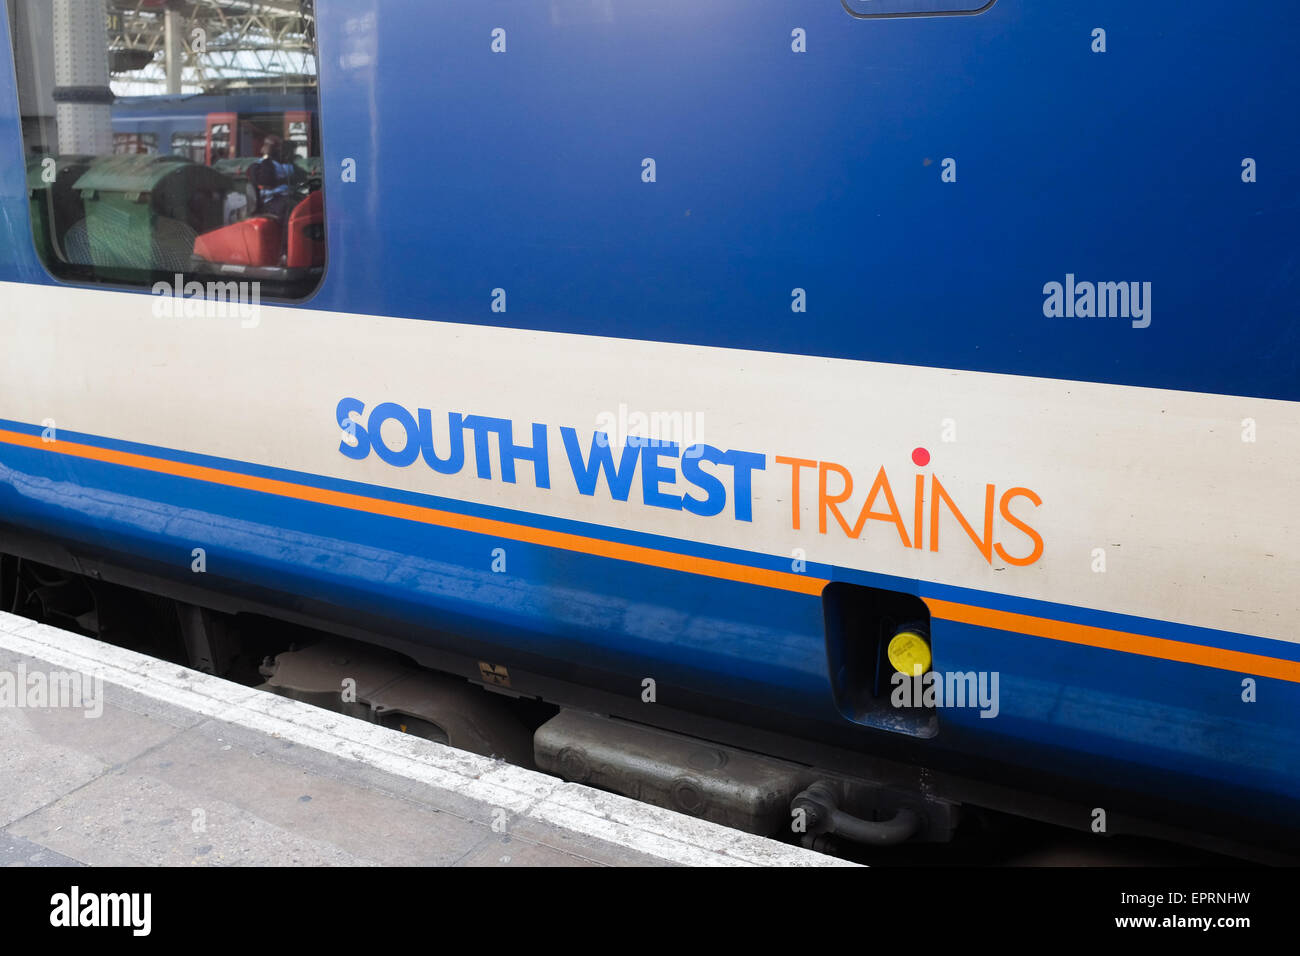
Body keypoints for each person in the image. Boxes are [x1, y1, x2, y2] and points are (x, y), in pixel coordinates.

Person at [249, 134, 298, 255]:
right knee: (290, 208)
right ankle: (286, 253)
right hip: (271, 202)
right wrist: (267, 156)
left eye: (279, 146)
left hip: (288, 197)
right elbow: (265, 179)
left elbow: (300, 176)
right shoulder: (261, 164)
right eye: (275, 146)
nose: (279, 149)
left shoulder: (286, 164)